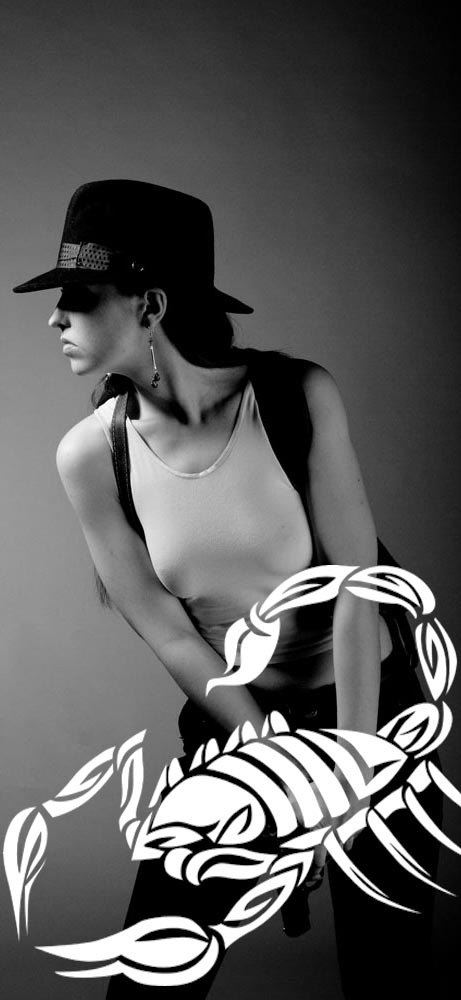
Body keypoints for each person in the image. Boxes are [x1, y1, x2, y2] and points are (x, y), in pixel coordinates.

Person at [13, 180, 442, 999]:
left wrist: (347, 779)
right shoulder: (90, 456)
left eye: (77, 296)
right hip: (237, 722)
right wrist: (271, 759)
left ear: (150, 304)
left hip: (372, 714)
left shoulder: (294, 397)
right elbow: (171, 633)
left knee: (388, 976)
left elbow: (360, 589)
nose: (54, 317)